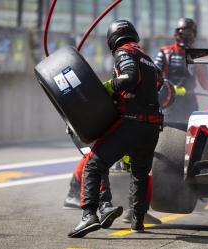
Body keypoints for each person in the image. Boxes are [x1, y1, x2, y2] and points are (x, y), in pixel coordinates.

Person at [68, 20, 163, 238]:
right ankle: (137, 222)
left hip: (131, 122)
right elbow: (160, 81)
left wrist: (108, 88)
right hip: (152, 126)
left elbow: (129, 78)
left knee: (94, 164)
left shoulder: (124, 51)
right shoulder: (147, 57)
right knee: (139, 174)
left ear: (113, 37)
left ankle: (88, 215)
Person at [154, 17, 208, 123]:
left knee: (189, 135)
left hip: (189, 101)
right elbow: (154, 77)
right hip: (169, 100)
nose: (186, 36)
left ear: (194, 35)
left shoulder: (196, 55)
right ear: (177, 33)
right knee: (168, 133)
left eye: (189, 33)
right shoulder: (165, 53)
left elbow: (205, 80)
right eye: (183, 32)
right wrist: (169, 88)